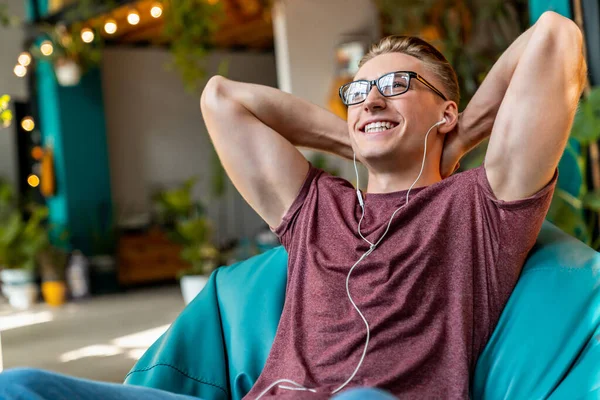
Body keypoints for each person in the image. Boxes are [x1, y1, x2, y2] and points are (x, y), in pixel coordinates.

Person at [0, 10, 586, 400]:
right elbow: (222, 98)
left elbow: (556, 37)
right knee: (20, 386)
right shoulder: (316, 208)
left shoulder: (480, 208)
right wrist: (357, 133)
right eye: (358, 93)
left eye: (398, 85)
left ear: (447, 112)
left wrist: (455, 143)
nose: (372, 97)